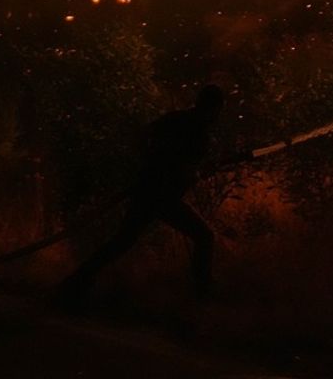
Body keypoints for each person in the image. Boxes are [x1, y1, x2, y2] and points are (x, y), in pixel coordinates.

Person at [57, 85, 224, 310]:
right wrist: (197, 171)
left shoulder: (175, 118)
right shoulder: (200, 132)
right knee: (204, 237)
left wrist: (149, 164)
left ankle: (76, 281)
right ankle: (202, 294)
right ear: (214, 108)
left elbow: (143, 135)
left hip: (147, 190)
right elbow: (186, 171)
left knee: (122, 241)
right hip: (163, 198)